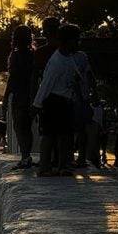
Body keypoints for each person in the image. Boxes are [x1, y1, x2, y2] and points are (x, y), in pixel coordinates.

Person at [32, 23, 81, 176]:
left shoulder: (68, 57)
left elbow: (75, 74)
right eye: (76, 40)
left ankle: (63, 165)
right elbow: (46, 84)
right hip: (53, 101)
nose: (78, 44)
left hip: (65, 101)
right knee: (49, 135)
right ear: (68, 41)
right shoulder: (57, 62)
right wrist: (37, 104)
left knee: (65, 135)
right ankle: (44, 167)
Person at [1, 25, 34, 169]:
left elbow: (12, 78)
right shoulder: (33, 55)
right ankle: (26, 156)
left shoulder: (16, 56)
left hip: (20, 95)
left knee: (20, 127)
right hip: (30, 94)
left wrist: (5, 97)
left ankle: (25, 156)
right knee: (26, 127)